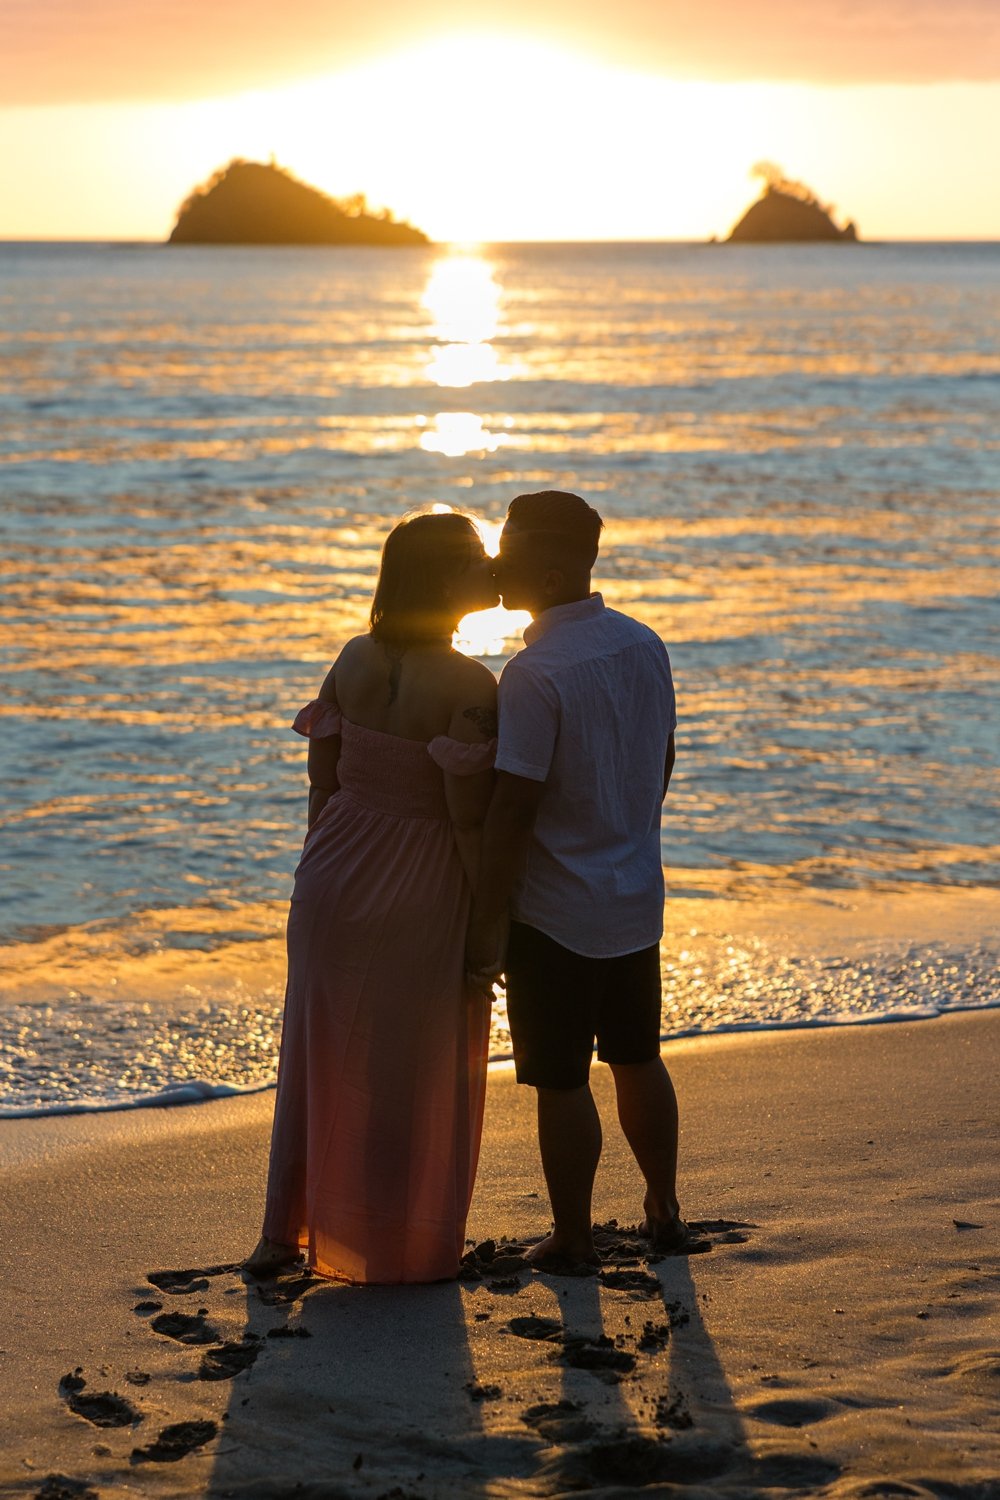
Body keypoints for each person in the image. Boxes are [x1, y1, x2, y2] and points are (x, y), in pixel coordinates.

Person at [246, 510, 500, 1284]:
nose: (491, 571)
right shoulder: (470, 684)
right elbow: (465, 821)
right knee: (408, 1070)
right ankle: (394, 1247)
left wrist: (319, 869)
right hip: (418, 884)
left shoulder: (351, 659)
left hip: (328, 875)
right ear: (443, 580)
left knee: (315, 1059)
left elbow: (320, 785)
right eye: (476, 561)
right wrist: (490, 927)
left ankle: (279, 1238)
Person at [466, 490, 701, 1271]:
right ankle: (663, 1209)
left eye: (511, 549)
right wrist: (626, 834)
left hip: (556, 911)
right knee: (638, 1057)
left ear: (555, 568)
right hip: (634, 896)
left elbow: (512, 810)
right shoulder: (645, 643)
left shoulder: (532, 675)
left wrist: (486, 919)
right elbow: (662, 759)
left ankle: (572, 1237)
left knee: (561, 1079)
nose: (496, 563)